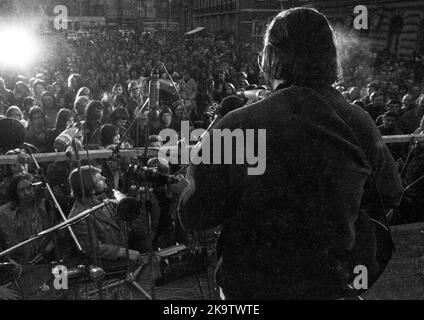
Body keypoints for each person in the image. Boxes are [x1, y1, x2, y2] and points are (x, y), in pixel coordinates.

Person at [179, 7, 403, 300]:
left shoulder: (237, 124)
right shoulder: (359, 122)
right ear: (330, 57)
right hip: (329, 287)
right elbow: (390, 194)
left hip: (249, 290)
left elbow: (195, 214)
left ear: (271, 57)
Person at [68, 166, 145, 264]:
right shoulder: (79, 216)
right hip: (108, 267)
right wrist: (124, 253)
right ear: (89, 186)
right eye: (99, 177)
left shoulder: (101, 200)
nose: (104, 178)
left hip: (123, 260)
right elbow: (91, 249)